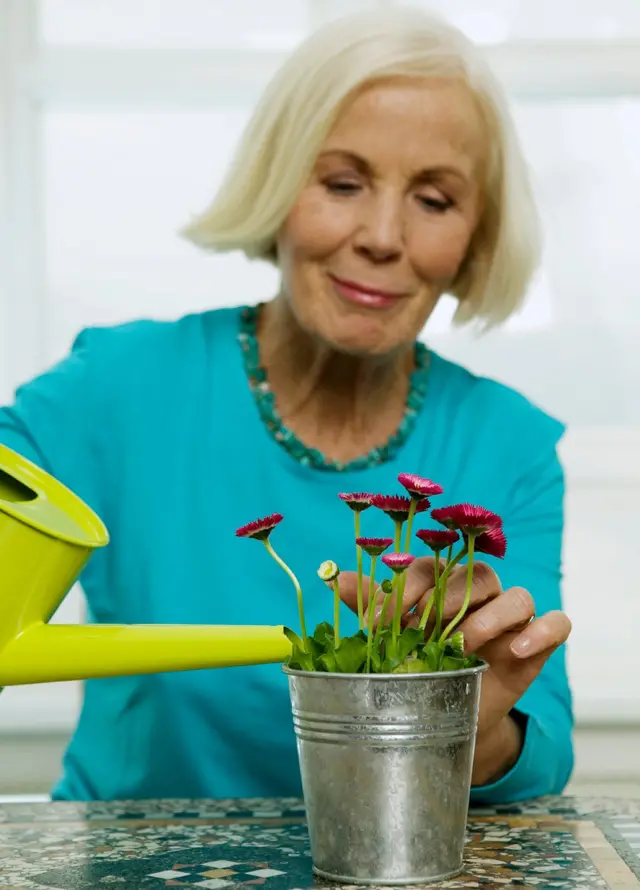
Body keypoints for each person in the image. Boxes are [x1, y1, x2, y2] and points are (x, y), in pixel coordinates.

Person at [0, 7, 573, 804]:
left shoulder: (507, 443)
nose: (381, 235)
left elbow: (540, 756)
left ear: (476, 238)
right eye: (343, 184)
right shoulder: (117, 388)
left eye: (434, 201)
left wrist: (466, 726)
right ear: (278, 186)